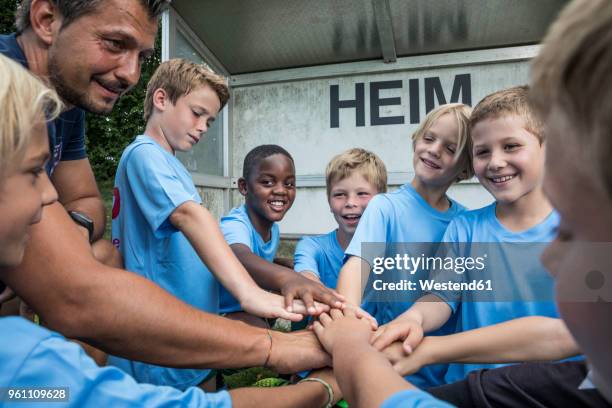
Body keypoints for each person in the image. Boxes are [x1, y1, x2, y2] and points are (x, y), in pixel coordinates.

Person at [0, 0, 330, 374]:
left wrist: (63, 238)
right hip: (147, 355)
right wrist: (270, 337)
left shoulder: (63, 102)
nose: (131, 74)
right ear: (46, 19)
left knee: (100, 257)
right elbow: (78, 295)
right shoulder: (8, 89)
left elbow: (82, 201)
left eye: (141, 56)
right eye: (114, 43)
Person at [108, 59, 324, 389]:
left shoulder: (168, 162)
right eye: (197, 113)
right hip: (160, 335)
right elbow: (190, 216)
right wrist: (249, 293)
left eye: (209, 121)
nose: (203, 127)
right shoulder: (144, 154)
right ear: (162, 99)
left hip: (187, 329)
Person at [372, 86, 576, 386]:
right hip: (470, 389)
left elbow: (573, 334)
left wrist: (432, 349)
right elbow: (440, 296)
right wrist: (414, 318)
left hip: (554, 390)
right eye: (482, 151)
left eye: (511, 146)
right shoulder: (465, 228)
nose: (495, 162)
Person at [335, 103, 473, 388]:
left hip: (440, 369)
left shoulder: (464, 222)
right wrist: (348, 318)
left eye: (450, 148)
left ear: (465, 168)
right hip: (385, 359)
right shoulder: (384, 208)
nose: (434, 150)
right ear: (416, 140)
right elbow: (357, 265)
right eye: (429, 138)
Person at [219, 144, 344, 326]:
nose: (281, 190)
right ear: (244, 187)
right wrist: (288, 277)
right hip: (220, 313)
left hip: (247, 307)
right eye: (268, 182)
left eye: (289, 184)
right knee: (262, 332)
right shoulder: (236, 223)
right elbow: (238, 256)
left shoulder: (272, 228)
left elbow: (257, 256)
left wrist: (284, 265)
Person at [294, 148, 387, 290]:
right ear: (329, 201)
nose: (350, 202)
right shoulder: (312, 247)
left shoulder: (396, 252)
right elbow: (306, 277)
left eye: (362, 193)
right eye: (340, 195)